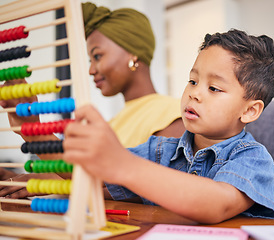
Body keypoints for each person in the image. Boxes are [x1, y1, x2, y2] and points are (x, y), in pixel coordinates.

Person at [63, 29, 274, 223]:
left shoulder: (253, 159)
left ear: (249, 111)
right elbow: (92, 172)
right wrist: (34, 132)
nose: (194, 93)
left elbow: (216, 204)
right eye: (193, 81)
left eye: (214, 88)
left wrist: (124, 165)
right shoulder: (160, 151)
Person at [0, 3, 185, 196]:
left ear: (132, 53)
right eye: (90, 60)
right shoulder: (112, 123)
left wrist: (34, 134)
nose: (91, 70)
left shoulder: (172, 114)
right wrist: (32, 181)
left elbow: (145, 188)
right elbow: (95, 176)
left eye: (98, 56)